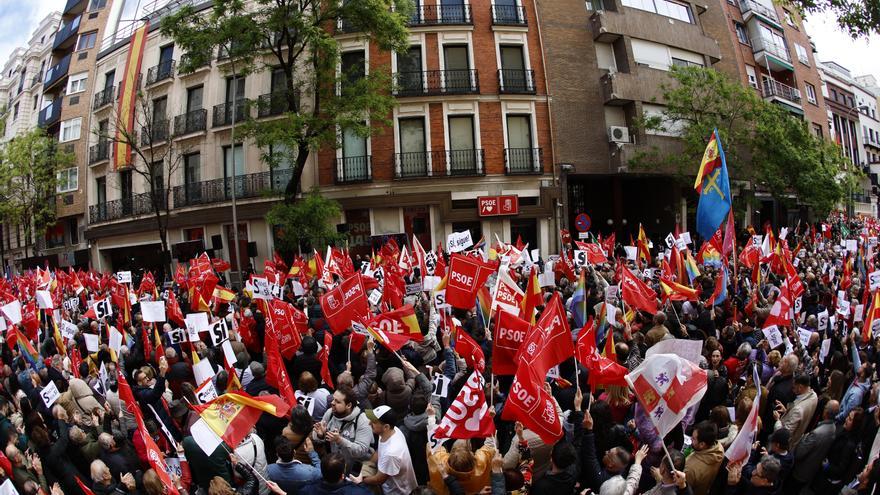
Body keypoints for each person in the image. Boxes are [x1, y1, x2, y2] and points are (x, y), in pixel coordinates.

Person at [348, 406, 416, 495]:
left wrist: (361, 480)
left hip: (397, 492)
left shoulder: (391, 453)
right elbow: (379, 449)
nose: (369, 423)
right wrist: (367, 466)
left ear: (386, 427)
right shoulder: (391, 431)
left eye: (374, 422)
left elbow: (379, 479)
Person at [312, 387, 373, 474]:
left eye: (337, 401)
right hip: (335, 469)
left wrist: (340, 440)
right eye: (333, 399)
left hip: (354, 471)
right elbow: (316, 435)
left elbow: (361, 451)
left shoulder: (363, 421)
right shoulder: (330, 413)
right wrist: (320, 435)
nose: (332, 403)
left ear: (348, 405)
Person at [787, 400, 839, 494]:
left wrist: (804, 438)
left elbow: (799, 453)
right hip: (811, 471)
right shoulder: (833, 428)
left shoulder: (816, 433)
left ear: (826, 412)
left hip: (800, 471)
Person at [772, 373, 817, 449]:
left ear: (800, 387)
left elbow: (784, 435)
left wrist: (778, 420)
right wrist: (787, 411)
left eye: (793, 387)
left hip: (783, 446)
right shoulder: (814, 396)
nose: (792, 389)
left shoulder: (798, 410)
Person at [299, 453, 372, 495]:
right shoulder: (358, 492)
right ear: (342, 475)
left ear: (322, 472)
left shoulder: (306, 490)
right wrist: (360, 484)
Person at [684, 421, 725, 495]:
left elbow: (681, 489)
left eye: (693, 439)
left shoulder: (690, 468)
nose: (690, 440)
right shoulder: (719, 448)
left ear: (702, 444)